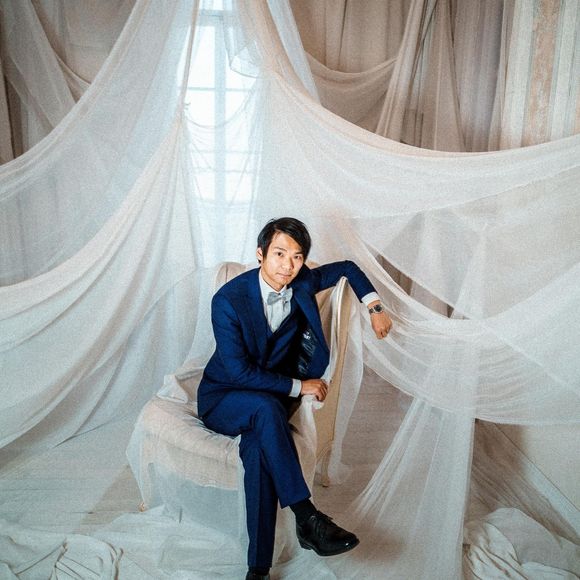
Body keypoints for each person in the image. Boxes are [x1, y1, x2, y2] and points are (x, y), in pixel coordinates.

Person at [198, 217, 392, 580]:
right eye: (279, 254)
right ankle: (307, 516)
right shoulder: (227, 300)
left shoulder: (303, 281)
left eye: (297, 256)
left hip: (269, 401)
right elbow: (238, 373)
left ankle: (258, 569)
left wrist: (375, 306)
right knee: (264, 407)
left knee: (258, 452)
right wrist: (299, 386)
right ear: (260, 254)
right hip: (225, 397)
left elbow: (348, 267)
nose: (288, 265)